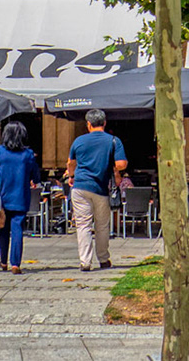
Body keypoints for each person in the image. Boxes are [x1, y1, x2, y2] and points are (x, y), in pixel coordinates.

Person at [66, 107, 128, 272]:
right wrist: (113, 168)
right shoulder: (113, 140)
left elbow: (70, 163)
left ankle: (85, 261)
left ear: (88, 124)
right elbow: (122, 164)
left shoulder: (78, 141)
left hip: (79, 187)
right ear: (104, 123)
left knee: (83, 224)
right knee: (102, 225)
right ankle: (103, 258)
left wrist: (71, 176)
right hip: (100, 188)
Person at [0, 121, 40, 273]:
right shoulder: (28, 154)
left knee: (3, 229)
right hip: (21, 197)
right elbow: (35, 175)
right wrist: (34, 180)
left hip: (1, 196)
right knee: (17, 229)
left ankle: (3, 261)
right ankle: (15, 263)